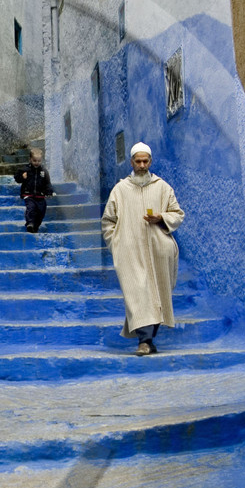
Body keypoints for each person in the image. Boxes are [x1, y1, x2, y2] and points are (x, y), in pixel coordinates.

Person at [100, 141, 185, 355]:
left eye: (145, 161)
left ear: (150, 161)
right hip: (130, 251)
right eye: (137, 161)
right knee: (137, 294)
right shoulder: (120, 190)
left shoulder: (163, 187)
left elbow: (177, 214)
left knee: (156, 296)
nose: (141, 165)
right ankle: (144, 341)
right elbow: (108, 221)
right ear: (131, 162)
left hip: (159, 250)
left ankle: (148, 341)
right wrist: (116, 243)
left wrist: (161, 217)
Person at [14, 148, 53, 232]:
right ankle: (30, 223)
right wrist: (22, 177)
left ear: (41, 160)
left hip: (40, 195)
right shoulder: (25, 169)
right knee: (31, 208)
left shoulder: (44, 171)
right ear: (30, 159)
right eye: (34, 160)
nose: (36, 163)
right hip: (28, 195)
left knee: (41, 211)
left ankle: (35, 225)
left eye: (39, 161)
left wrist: (49, 191)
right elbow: (17, 178)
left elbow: (47, 183)